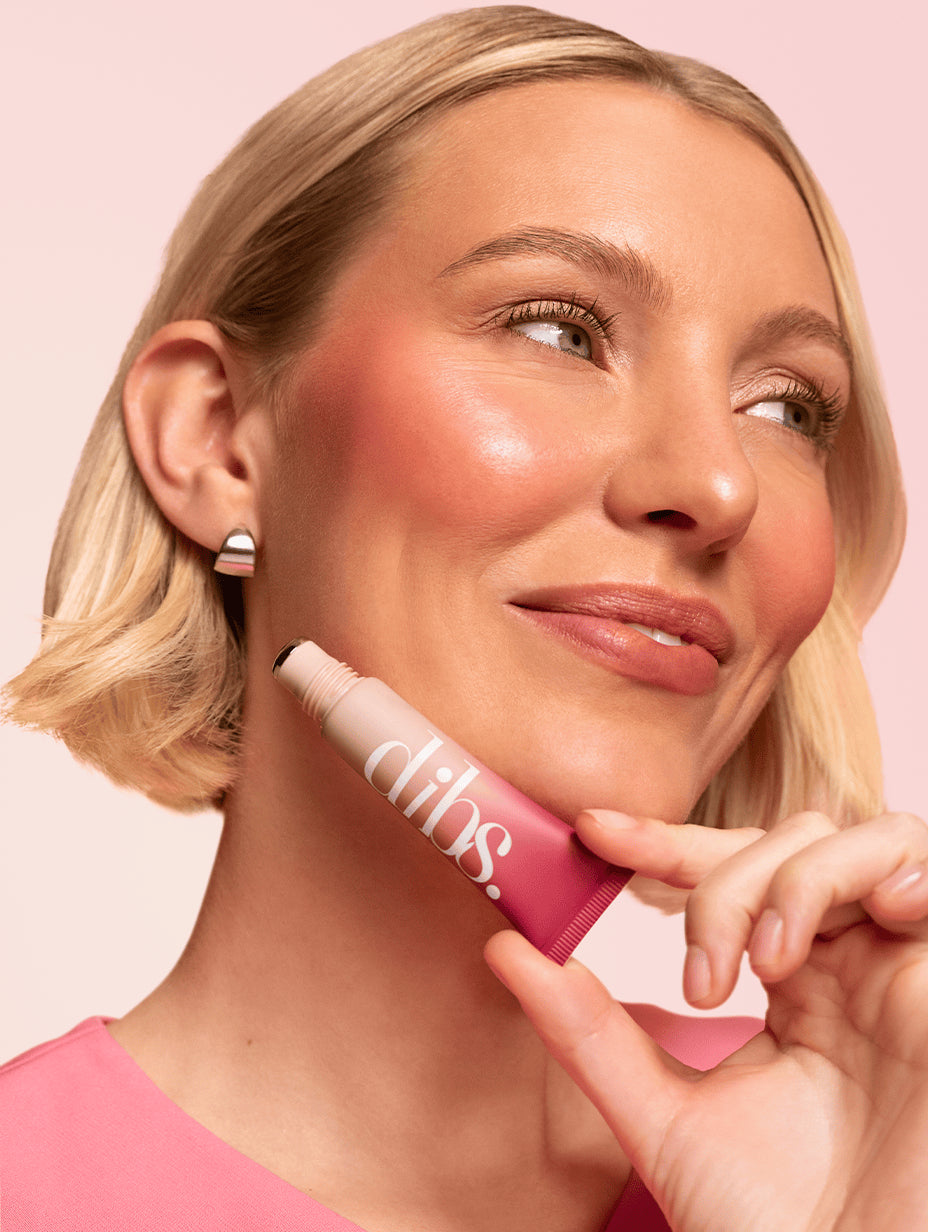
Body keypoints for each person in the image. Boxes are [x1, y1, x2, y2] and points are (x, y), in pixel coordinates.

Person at [2, 6, 925, 1229]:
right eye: (557, 329)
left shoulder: (884, 1134)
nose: (717, 486)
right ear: (218, 441)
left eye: (788, 406)